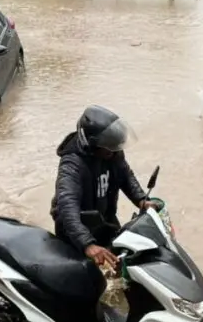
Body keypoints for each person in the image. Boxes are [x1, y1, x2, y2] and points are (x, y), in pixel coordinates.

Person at [50, 105, 157, 269]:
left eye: (116, 149)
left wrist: (142, 200)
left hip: (104, 220)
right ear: (92, 145)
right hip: (76, 230)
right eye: (109, 150)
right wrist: (88, 245)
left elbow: (126, 176)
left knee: (121, 265)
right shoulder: (72, 165)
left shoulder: (112, 152)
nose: (114, 154)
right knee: (85, 280)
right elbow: (67, 208)